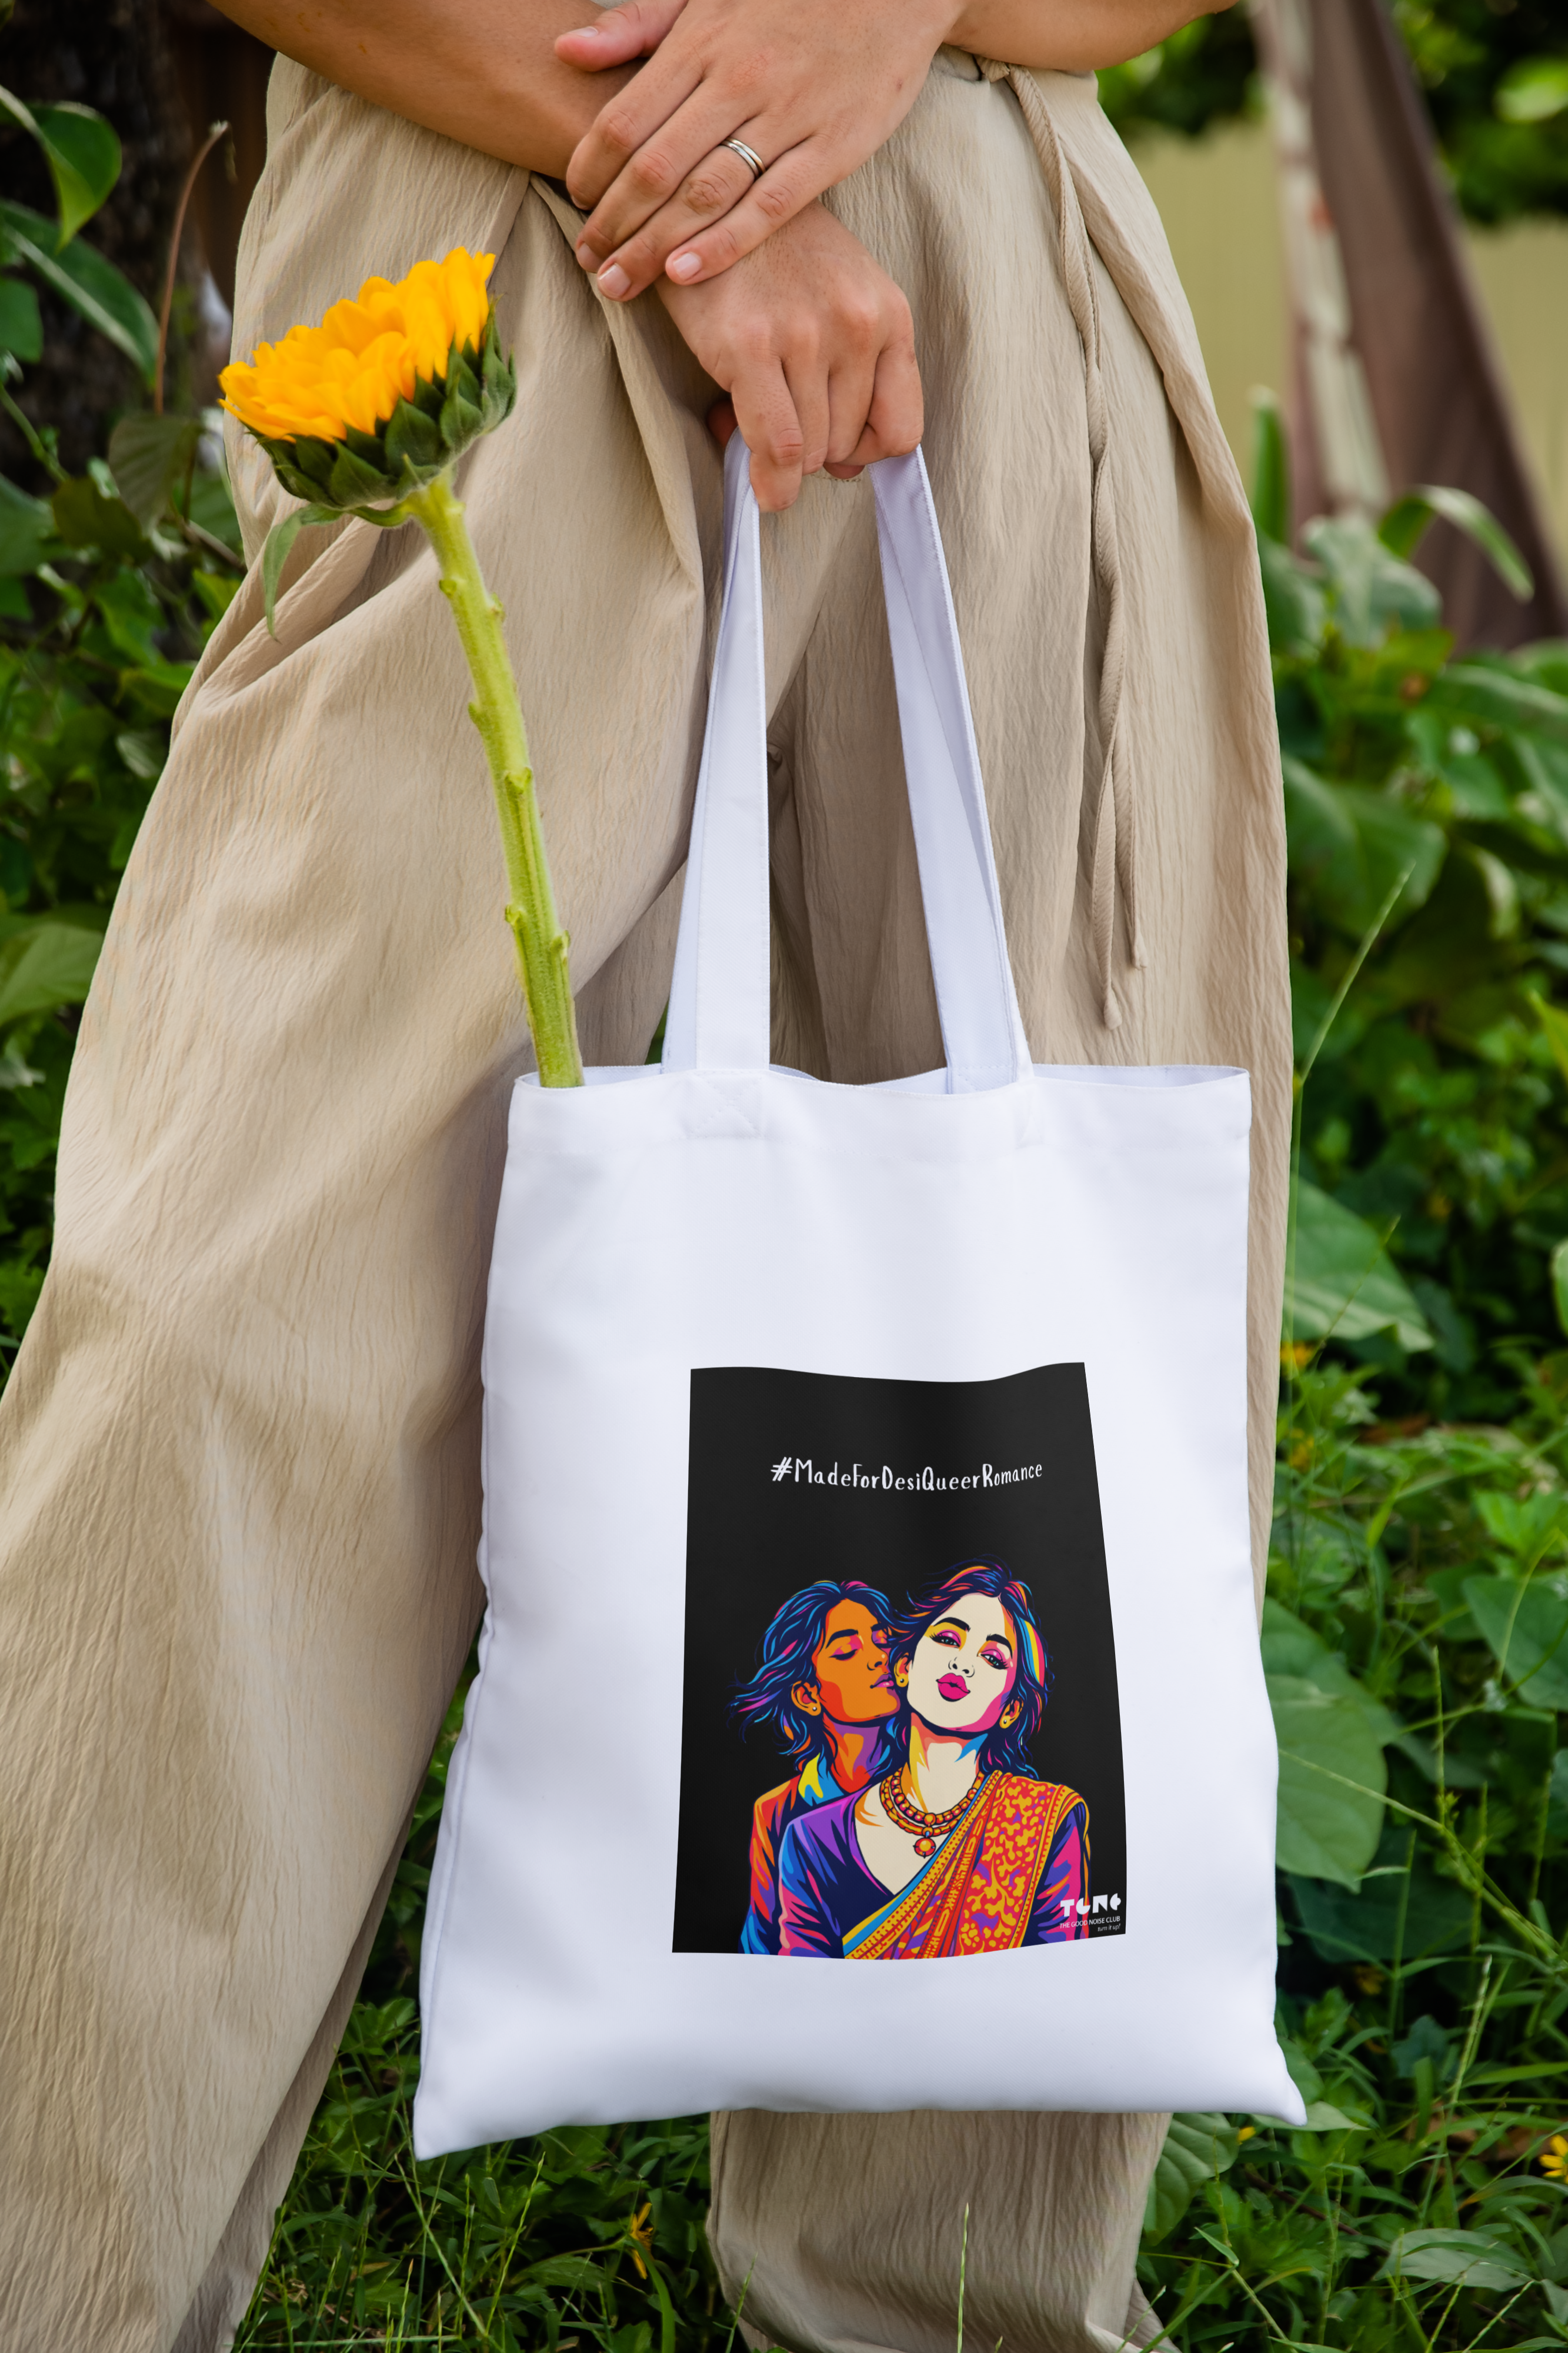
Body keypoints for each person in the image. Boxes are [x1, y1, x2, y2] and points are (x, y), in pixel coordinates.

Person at [0, 0, 1293, 2341]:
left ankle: (947, 2301)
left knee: (994, 1395)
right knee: (220, 1335)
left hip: (1007, 276)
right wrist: (710, 185)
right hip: (479, 244)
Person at [777, 1562, 1087, 1957]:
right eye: (947, 1639)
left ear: (1010, 1709)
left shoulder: (1044, 1822)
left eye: (993, 1658)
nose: (963, 1664)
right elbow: (804, 1991)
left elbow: (1059, 1973)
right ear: (905, 1668)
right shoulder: (811, 1840)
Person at [730, 1579, 901, 1953]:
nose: (878, 1658)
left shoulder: (934, 1778)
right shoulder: (776, 1813)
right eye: (846, 1652)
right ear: (808, 1695)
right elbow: (762, 1945)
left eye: (882, 1641)